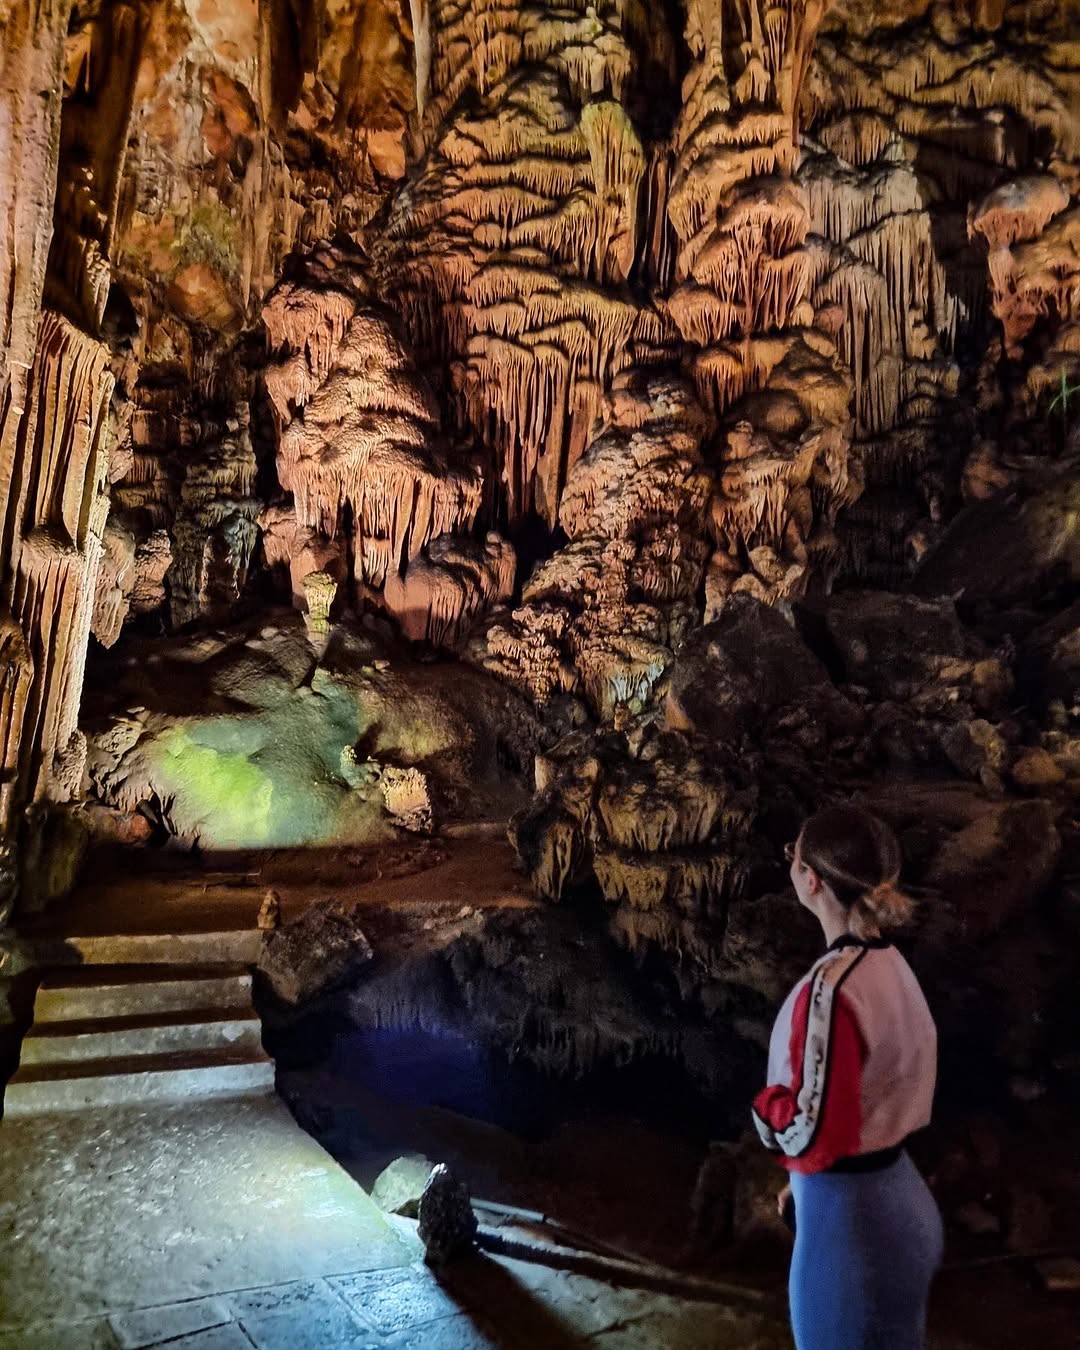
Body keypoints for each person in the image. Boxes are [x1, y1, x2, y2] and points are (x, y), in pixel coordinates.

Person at [752, 804, 944, 1350]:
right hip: (897, 1195)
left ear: (810, 879)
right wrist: (802, 1187)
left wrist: (765, 1115)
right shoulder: (892, 965)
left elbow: (812, 1131)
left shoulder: (832, 989)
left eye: (792, 856)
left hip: (851, 1233)